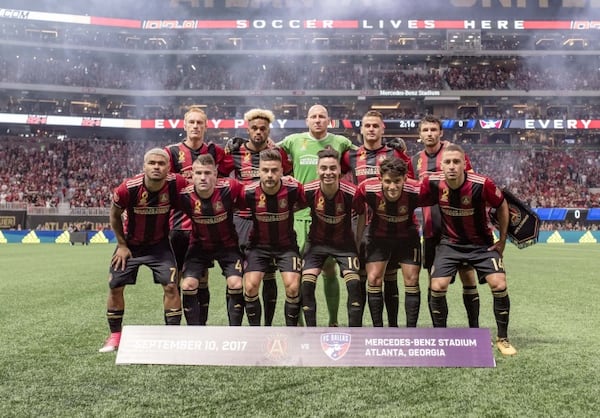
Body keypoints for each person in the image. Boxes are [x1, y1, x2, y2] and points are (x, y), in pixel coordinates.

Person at [419, 144, 516, 356]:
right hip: (449, 244)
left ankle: (503, 338)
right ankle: (440, 338)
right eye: (447, 162)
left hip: (481, 245)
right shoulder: (432, 182)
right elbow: (413, 198)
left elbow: (502, 205)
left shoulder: (482, 184)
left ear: (465, 164)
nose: (452, 166)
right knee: (437, 285)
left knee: (499, 284)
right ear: (441, 165)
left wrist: (502, 240)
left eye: (456, 162)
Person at [99, 148, 188, 353]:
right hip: (131, 245)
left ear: (168, 167)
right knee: (115, 285)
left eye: (161, 163)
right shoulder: (127, 188)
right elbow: (114, 215)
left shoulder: (177, 183)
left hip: (160, 245)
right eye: (152, 163)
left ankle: (172, 337)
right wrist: (122, 245)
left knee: (171, 286)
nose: (156, 166)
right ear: (144, 166)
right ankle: (115, 337)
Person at [278, 104, 356, 326]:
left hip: (327, 216)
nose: (318, 120)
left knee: (330, 269)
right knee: (299, 271)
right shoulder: (293, 141)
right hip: (299, 215)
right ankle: (300, 323)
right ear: (307, 120)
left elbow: (365, 154)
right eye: (313, 116)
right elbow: (269, 153)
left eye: (322, 116)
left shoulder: (340, 142)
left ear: (328, 120)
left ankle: (332, 321)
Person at [341, 110, 415, 327]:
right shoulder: (350, 156)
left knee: (390, 274)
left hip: (390, 221)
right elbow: (335, 172)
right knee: (362, 275)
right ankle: (361, 326)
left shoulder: (394, 153)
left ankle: (391, 326)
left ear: (383, 128)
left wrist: (405, 152)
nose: (371, 129)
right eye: (368, 125)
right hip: (361, 221)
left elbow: (409, 178)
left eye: (376, 125)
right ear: (361, 129)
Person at [164, 106, 234, 325]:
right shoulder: (171, 152)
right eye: (191, 122)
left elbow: (230, 176)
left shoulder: (215, 151)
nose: (195, 126)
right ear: (184, 126)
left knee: (201, 280)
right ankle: (174, 330)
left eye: (199, 123)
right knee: (173, 282)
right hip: (177, 227)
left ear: (206, 126)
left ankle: (199, 329)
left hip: (204, 228)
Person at [410, 115, 480, 328]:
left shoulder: (454, 154)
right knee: (435, 282)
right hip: (432, 230)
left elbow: (472, 183)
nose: (430, 133)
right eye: (426, 130)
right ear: (420, 135)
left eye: (433, 129)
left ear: (441, 133)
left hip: (460, 229)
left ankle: (473, 328)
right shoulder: (415, 161)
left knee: (467, 277)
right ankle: (439, 330)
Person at [225, 108, 292, 326]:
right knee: (240, 275)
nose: (258, 132)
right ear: (247, 128)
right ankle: (240, 327)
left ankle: (268, 326)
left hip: (269, 220)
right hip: (241, 221)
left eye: (263, 128)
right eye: (254, 128)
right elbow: (217, 170)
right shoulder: (235, 152)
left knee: (269, 273)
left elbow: (289, 175)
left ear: (268, 130)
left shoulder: (276, 154)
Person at [353, 157, 422, 327]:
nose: (392, 186)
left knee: (412, 280)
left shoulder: (417, 189)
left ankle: (411, 330)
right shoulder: (366, 188)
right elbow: (360, 213)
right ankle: (378, 329)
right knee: (374, 279)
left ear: (405, 178)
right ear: (380, 179)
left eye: (397, 181)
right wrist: (357, 242)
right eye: (388, 181)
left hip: (407, 236)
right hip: (379, 236)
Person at [240, 149, 306, 326]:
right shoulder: (248, 192)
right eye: (265, 170)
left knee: (293, 287)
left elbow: (304, 202)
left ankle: (291, 331)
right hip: (258, 246)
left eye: (274, 170)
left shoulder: (293, 188)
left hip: (286, 246)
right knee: (250, 286)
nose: (270, 175)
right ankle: (256, 331)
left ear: (282, 171)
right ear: (259, 171)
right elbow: (235, 209)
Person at [178, 154, 245, 326]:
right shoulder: (184, 195)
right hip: (199, 246)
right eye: (198, 173)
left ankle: (235, 331)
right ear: (191, 175)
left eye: (208, 173)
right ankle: (196, 330)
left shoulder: (231, 187)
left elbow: (253, 194)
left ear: (216, 174)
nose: (203, 177)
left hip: (228, 245)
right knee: (188, 285)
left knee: (236, 284)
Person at [302, 149, 362, 327]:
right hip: (316, 244)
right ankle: (311, 333)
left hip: (344, 245)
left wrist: (357, 242)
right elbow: (291, 207)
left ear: (339, 171)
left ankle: (355, 333)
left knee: (354, 285)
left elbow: (362, 213)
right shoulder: (309, 190)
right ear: (317, 170)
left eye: (332, 168)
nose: (328, 172)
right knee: (306, 284)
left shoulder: (351, 192)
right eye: (324, 168)